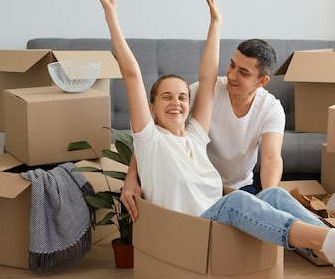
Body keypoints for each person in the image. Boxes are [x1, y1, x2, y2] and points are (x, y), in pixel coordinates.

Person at [88, 0, 335, 279]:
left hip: (217, 212)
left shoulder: (195, 135)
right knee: (239, 201)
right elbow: (131, 74)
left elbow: (205, 79)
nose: (176, 102)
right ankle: (330, 241)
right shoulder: (149, 138)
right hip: (192, 227)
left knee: (271, 194)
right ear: (150, 107)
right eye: (166, 96)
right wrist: (111, 15)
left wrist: (215, 24)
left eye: (182, 97)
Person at [121, 38, 285, 197]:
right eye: (232, 65)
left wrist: (270, 195)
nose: (232, 75)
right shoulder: (206, 92)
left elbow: (271, 159)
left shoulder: (271, 108)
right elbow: (152, 131)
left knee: (271, 202)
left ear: (262, 81)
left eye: (243, 72)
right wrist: (132, 176)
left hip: (240, 188)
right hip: (198, 184)